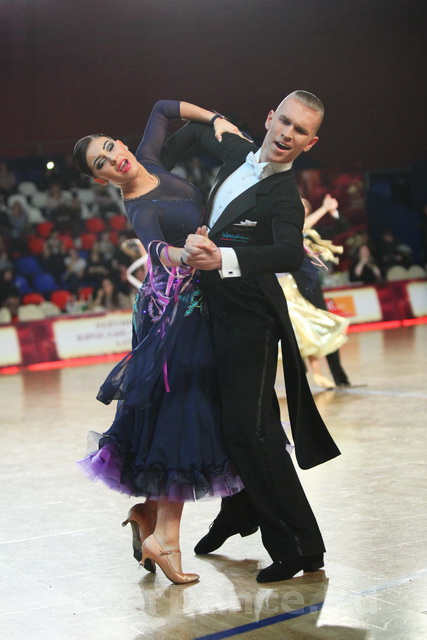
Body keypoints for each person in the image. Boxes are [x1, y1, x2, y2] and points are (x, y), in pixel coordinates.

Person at [163, 90, 341, 583]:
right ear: (269, 118)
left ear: (310, 142)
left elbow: (288, 253)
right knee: (230, 424)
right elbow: (192, 130)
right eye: (284, 121)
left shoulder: (283, 194)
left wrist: (223, 258)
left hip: (251, 317)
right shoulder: (236, 149)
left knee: (250, 430)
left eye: (300, 131)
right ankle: (241, 512)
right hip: (213, 311)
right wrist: (158, 173)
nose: (288, 134)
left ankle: (298, 546)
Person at [72, 100, 247, 585]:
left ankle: (149, 515)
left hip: (199, 303)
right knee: (182, 414)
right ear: (100, 179)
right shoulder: (139, 206)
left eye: (111, 147)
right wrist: (184, 253)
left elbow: (163, 107)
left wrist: (215, 119)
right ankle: (165, 538)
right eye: (102, 162)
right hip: (171, 312)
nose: (115, 158)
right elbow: (156, 250)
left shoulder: (147, 158)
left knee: (182, 413)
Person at [292, 195, 352, 388]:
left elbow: (342, 226)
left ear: (307, 211)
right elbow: (299, 228)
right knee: (294, 334)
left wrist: (332, 210)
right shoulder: (285, 230)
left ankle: (340, 377)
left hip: (310, 287)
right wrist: (324, 208)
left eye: (302, 206)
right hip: (289, 288)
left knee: (327, 326)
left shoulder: (312, 232)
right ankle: (301, 383)